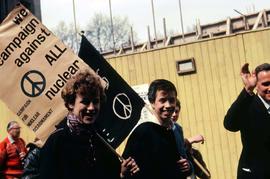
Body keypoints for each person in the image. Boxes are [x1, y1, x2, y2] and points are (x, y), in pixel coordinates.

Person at [39, 70, 139, 179]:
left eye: (95, 101)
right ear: (71, 103)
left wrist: (122, 174)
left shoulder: (100, 137)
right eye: (85, 102)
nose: (91, 108)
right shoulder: (56, 142)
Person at [123, 79, 192, 179]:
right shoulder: (143, 132)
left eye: (172, 100)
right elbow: (128, 170)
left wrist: (187, 167)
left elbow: (181, 161)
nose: (168, 105)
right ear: (152, 102)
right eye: (162, 100)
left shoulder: (176, 130)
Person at [224, 63, 270, 179]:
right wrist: (248, 89)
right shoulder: (247, 105)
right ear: (257, 85)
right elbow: (230, 124)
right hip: (254, 174)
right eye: (266, 84)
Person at [172, 99, 210, 179]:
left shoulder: (178, 128)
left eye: (176, 111)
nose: (174, 114)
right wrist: (190, 140)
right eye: (172, 111)